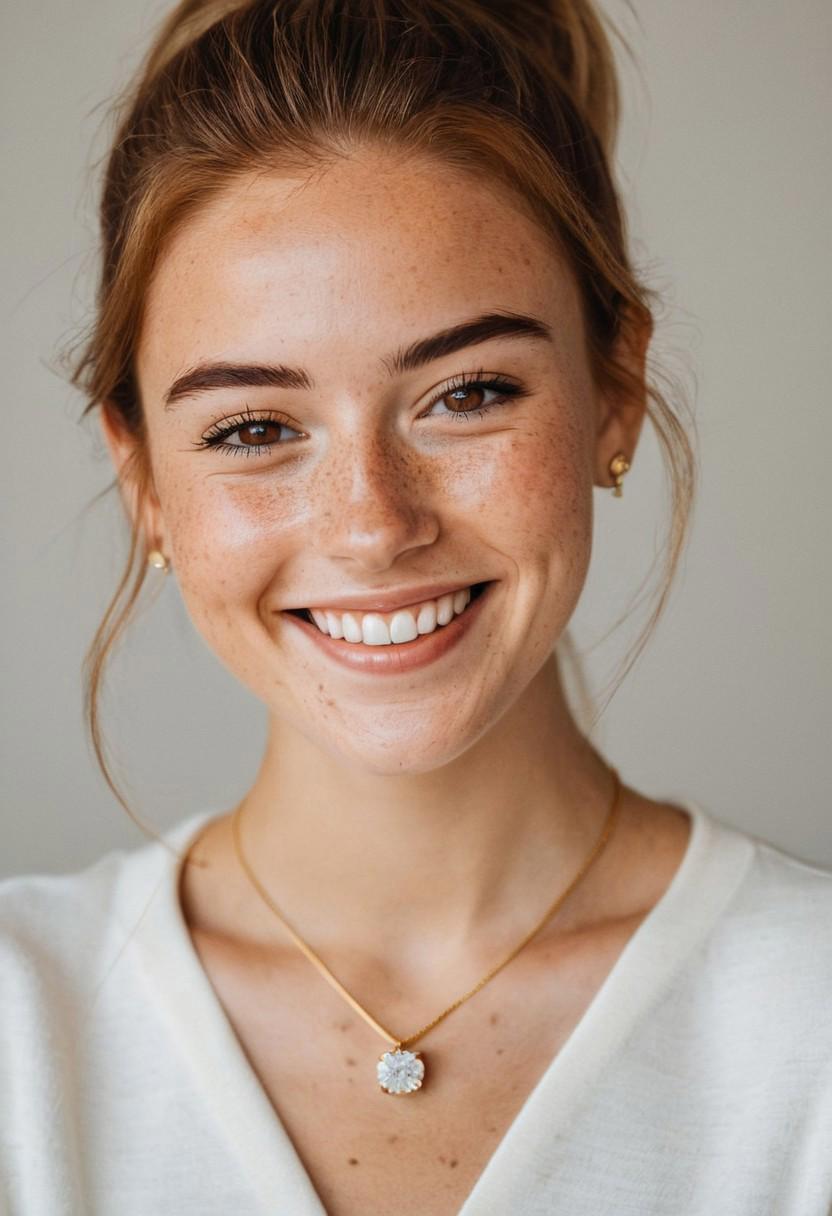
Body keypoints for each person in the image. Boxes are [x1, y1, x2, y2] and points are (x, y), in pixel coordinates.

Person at [2, 1, 831, 1213]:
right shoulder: (20, 1033)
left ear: (614, 386)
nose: (373, 525)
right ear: (143, 480)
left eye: (468, 392)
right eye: (252, 428)